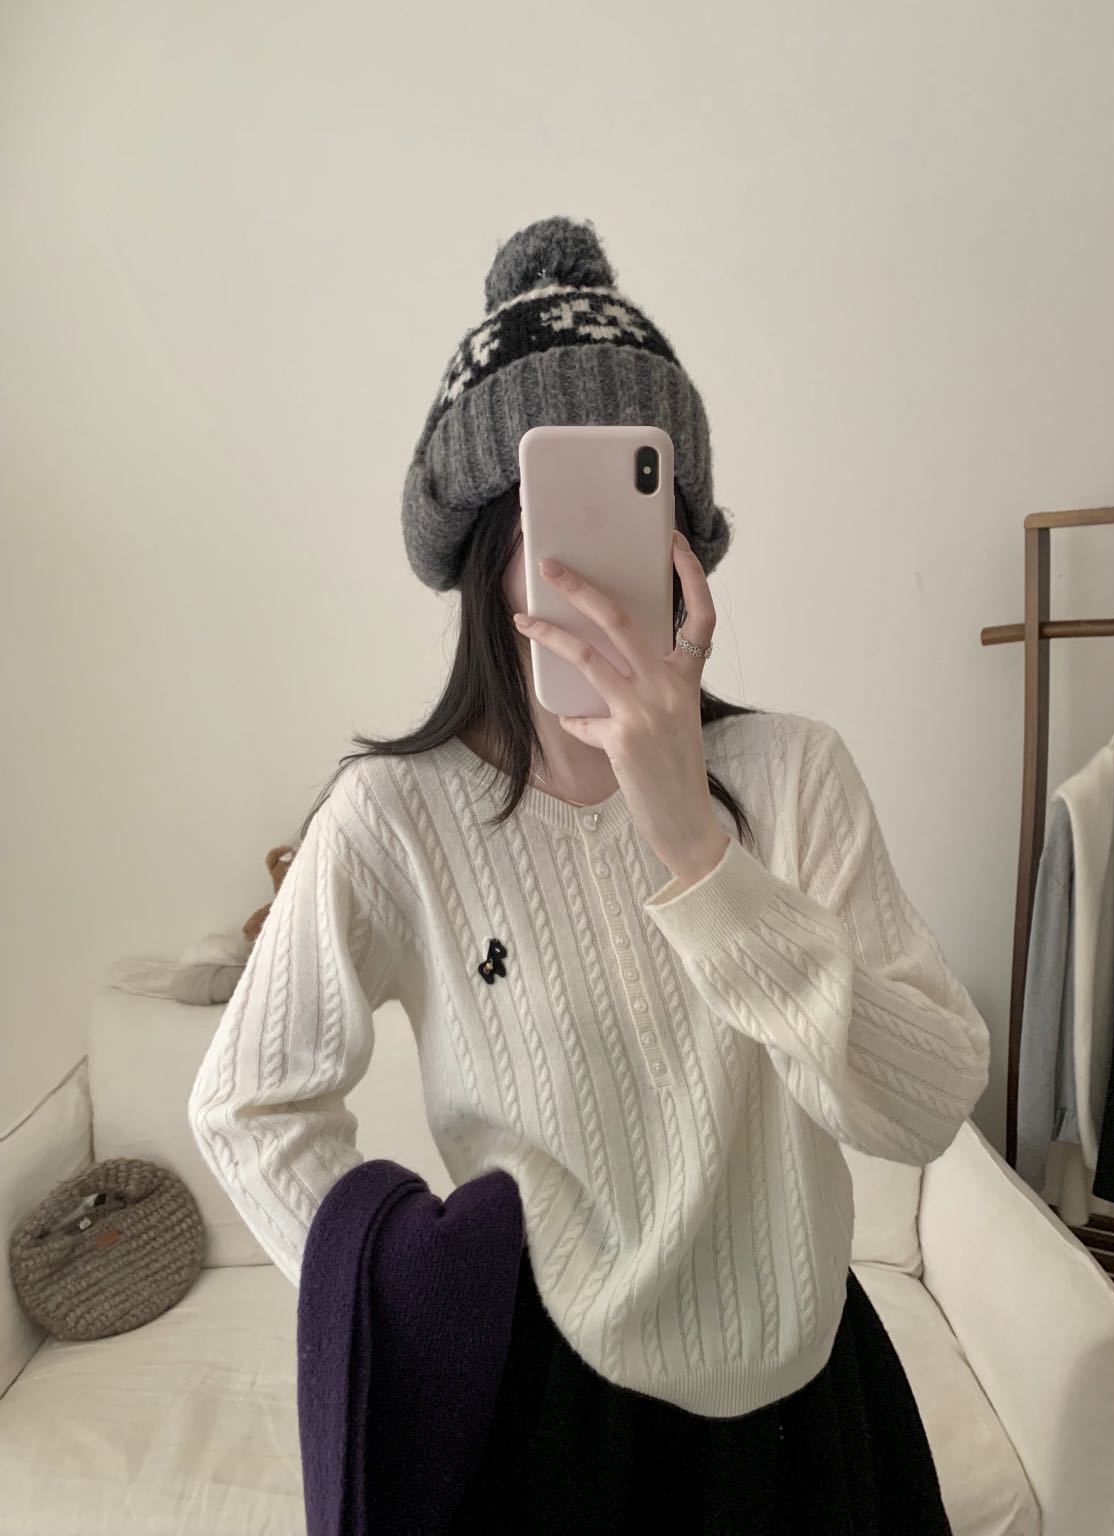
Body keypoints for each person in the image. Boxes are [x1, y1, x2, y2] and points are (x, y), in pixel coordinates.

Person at [189, 214, 990, 1533]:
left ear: (686, 539)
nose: (588, 570)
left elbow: (929, 1103)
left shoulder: (796, 774)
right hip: (546, 1419)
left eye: (634, 506)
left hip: (808, 1396)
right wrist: (413, 1305)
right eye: (545, 518)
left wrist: (696, 850)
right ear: (481, 552)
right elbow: (245, 1106)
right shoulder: (396, 818)